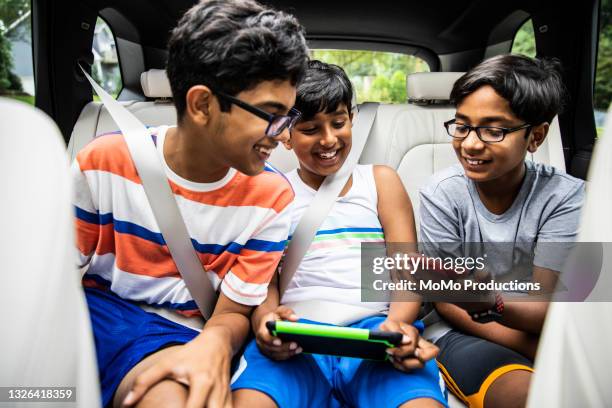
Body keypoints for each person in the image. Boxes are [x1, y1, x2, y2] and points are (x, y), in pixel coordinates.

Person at [72, 1, 309, 407]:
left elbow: (233, 312)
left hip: (191, 330)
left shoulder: (272, 197)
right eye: (272, 116)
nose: (283, 135)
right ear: (201, 105)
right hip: (100, 318)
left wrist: (215, 344)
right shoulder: (103, 162)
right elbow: (58, 279)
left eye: (288, 117)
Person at [231, 60, 447, 408]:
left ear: (352, 119)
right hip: (298, 335)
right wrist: (266, 320)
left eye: (338, 123)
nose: (328, 139)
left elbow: (406, 273)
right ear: (285, 133)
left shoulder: (379, 181)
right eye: (310, 128)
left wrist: (395, 326)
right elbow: (264, 282)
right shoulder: (272, 192)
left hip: (374, 331)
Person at [418, 54, 585, 408]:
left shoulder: (564, 197)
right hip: (462, 331)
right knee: (525, 397)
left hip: (541, 329)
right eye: (461, 126)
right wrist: (540, 350)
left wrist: (491, 302)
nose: (471, 144)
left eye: (493, 130)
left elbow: (546, 304)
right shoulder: (443, 193)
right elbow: (448, 302)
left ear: (536, 136)